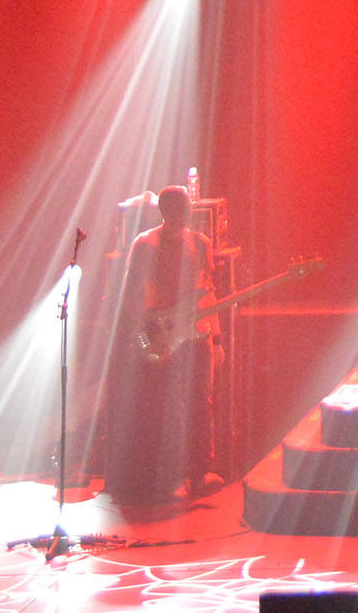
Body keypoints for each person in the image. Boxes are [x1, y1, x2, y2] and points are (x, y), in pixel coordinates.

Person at [111, 185, 220, 502]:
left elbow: (208, 291)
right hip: (161, 331)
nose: (186, 213)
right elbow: (130, 297)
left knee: (201, 402)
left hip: (196, 333)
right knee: (162, 405)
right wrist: (146, 333)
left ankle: (199, 474)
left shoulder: (200, 243)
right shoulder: (145, 244)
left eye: (188, 206)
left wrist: (217, 337)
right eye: (180, 207)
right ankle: (162, 477)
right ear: (165, 210)